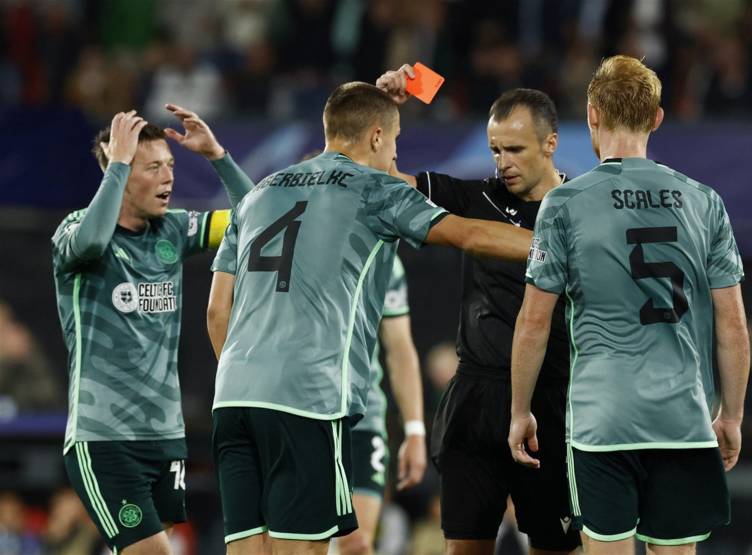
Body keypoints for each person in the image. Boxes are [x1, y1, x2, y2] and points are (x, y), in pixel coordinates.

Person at [205, 81, 533, 555]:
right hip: (306, 398)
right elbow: (468, 235)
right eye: (395, 141)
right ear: (377, 136)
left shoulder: (258, 193)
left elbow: (217, 311)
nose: (395, 156)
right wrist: (555, 244)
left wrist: (250, 380)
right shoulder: (374, 188)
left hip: (233, 397)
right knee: (305, 550)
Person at [508, 55, 750, 555]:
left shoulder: (565, 203)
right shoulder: (704, 201)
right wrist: (732, 415)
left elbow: (534, 321)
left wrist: (519, 411)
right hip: (683, 420)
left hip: (603, 421)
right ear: (657, 118)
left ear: (592, 114)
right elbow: (732, 324)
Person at [377, 66, 580, 554]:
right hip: (475, 398)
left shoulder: (583, 208)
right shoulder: (475, 197)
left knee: (556, 548)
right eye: (495, 150)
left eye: (515, 149)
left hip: (552, 400)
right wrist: (386, 114)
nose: (502, 162)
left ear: (550, 143)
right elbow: (383, 183)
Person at [51, 105, 254, 555]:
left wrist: (218, 156)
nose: (168, 178)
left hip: (165, 436)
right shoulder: (74, 231)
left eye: (171, 165)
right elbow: (91, 242)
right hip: (104, 437)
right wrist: (118, 164)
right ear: (121, 173)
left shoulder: (174, 229)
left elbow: (259, 219)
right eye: (152, 167)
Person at [337, 255, 427, 555]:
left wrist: (415, 431)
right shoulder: (304, 242)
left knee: (357, 543)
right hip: (304, 411)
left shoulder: (383, 258)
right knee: (297, 542)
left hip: (361, 415)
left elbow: (400, 346)